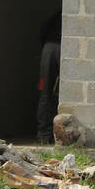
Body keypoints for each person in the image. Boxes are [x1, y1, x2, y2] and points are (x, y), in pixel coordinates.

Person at [36, 13, 61, 144]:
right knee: (57, 93)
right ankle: (48, 134)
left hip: (48, 49)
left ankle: (43, 135)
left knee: (45, 92)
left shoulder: (55, 16)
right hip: (61, 48)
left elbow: (42, 32)